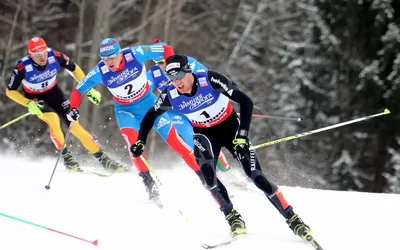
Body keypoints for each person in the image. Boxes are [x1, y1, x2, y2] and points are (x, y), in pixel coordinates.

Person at [131, 54, 313, 239]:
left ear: (188, 72)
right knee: (208, 179)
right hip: (205, 135)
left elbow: (245, 102)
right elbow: (150, 116)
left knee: (257, 177)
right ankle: (233, 217)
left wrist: (242, 134)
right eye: (171, 78)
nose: (176, 82)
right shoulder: (171, 94)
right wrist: (140, 140)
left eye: (178, 76)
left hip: (231, 129)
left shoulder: (209, 79)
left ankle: (293, 219)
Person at [67, 38, 203, 205]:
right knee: (134, 146)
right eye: (105, 58)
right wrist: (73, 108)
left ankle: (204, 176)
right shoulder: (100, 71)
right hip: (125, 111)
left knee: (176, 142)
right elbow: (77, 91)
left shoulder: (135, 53)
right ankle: (149, 184)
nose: (109, 62)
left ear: (120, 54)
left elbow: (166, 49)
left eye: (112, 57)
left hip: (149, 104)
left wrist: (170, 70)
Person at [5, 37, 125, 172]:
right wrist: (28, 104)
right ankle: (67, 158)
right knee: (53, 119)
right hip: (35, 99)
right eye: (37, 55)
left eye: (44, 52)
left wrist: (88, 88)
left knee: (74, 126)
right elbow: (10, 91)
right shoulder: (23, 67)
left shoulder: (55, 56)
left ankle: (104, 159)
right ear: (30, 54)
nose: (42, 57)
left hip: (54, 93)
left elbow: (74, 68)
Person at [147, 39, 231, 173]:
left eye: (164, 61)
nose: (162, 66)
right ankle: (213, 171)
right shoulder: (154, 73)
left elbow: (207, 78)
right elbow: (143, 90)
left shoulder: (188, 63)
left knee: (208, 137)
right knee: (191, 136)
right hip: (175, 112)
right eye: (158, 63)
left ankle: (226, 169)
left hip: (194, 107)